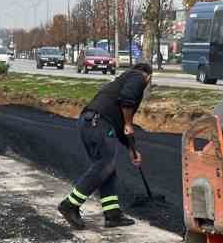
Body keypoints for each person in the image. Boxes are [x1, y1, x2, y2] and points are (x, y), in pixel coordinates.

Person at [59, 61, 153, 230]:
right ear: (148, 76)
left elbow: (121, 126)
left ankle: (112, 214)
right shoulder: (138, 76)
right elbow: (127, 101)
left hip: (89, 123)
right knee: (105, 165)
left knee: (107, 169)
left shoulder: (121, 80)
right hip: (99, 123)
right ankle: (70, 204)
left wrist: (132, 149)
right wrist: (129, 123)